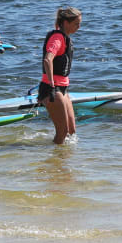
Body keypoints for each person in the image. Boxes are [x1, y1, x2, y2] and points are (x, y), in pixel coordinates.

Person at [36, 7, 82, 145]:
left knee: (71, 131)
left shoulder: (66, 39)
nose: (78, 27)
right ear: (66, 23)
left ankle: (62, 160)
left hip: (63, 89)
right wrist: (51, 84)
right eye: (76, 24)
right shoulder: (58, 38)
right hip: (52, 89)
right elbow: (47, 59)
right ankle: (54, 163)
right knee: (62, 132)